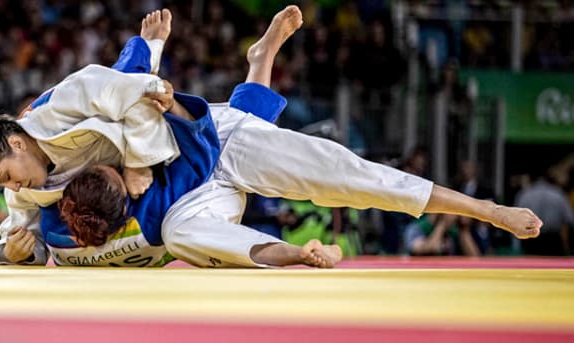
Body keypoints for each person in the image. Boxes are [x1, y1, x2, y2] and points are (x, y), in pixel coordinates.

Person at [57, 7, 542, 269]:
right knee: (182, 237)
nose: (129, 177)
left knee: (346, 175)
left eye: (117, 168)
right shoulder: (73, 238)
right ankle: (296, 254)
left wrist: (151, 48)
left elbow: (122, 89)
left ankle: (486, 210)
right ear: (119, 212)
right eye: (127, 186)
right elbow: (20, 244)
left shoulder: (76, 165)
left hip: (215, 139)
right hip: (199, 203)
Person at [0, 10, 207, 265]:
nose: (12, 188)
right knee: (122, 85)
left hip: (112, 127)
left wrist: (139, 163)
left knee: (130, 80)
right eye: (2, 185)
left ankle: (148, 48)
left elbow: (140, 94)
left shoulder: (61, 105)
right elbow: (22, 231)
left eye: (7, 177)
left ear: (17, 143)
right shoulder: (20, 187)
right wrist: (15, 252)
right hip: (102, 168)